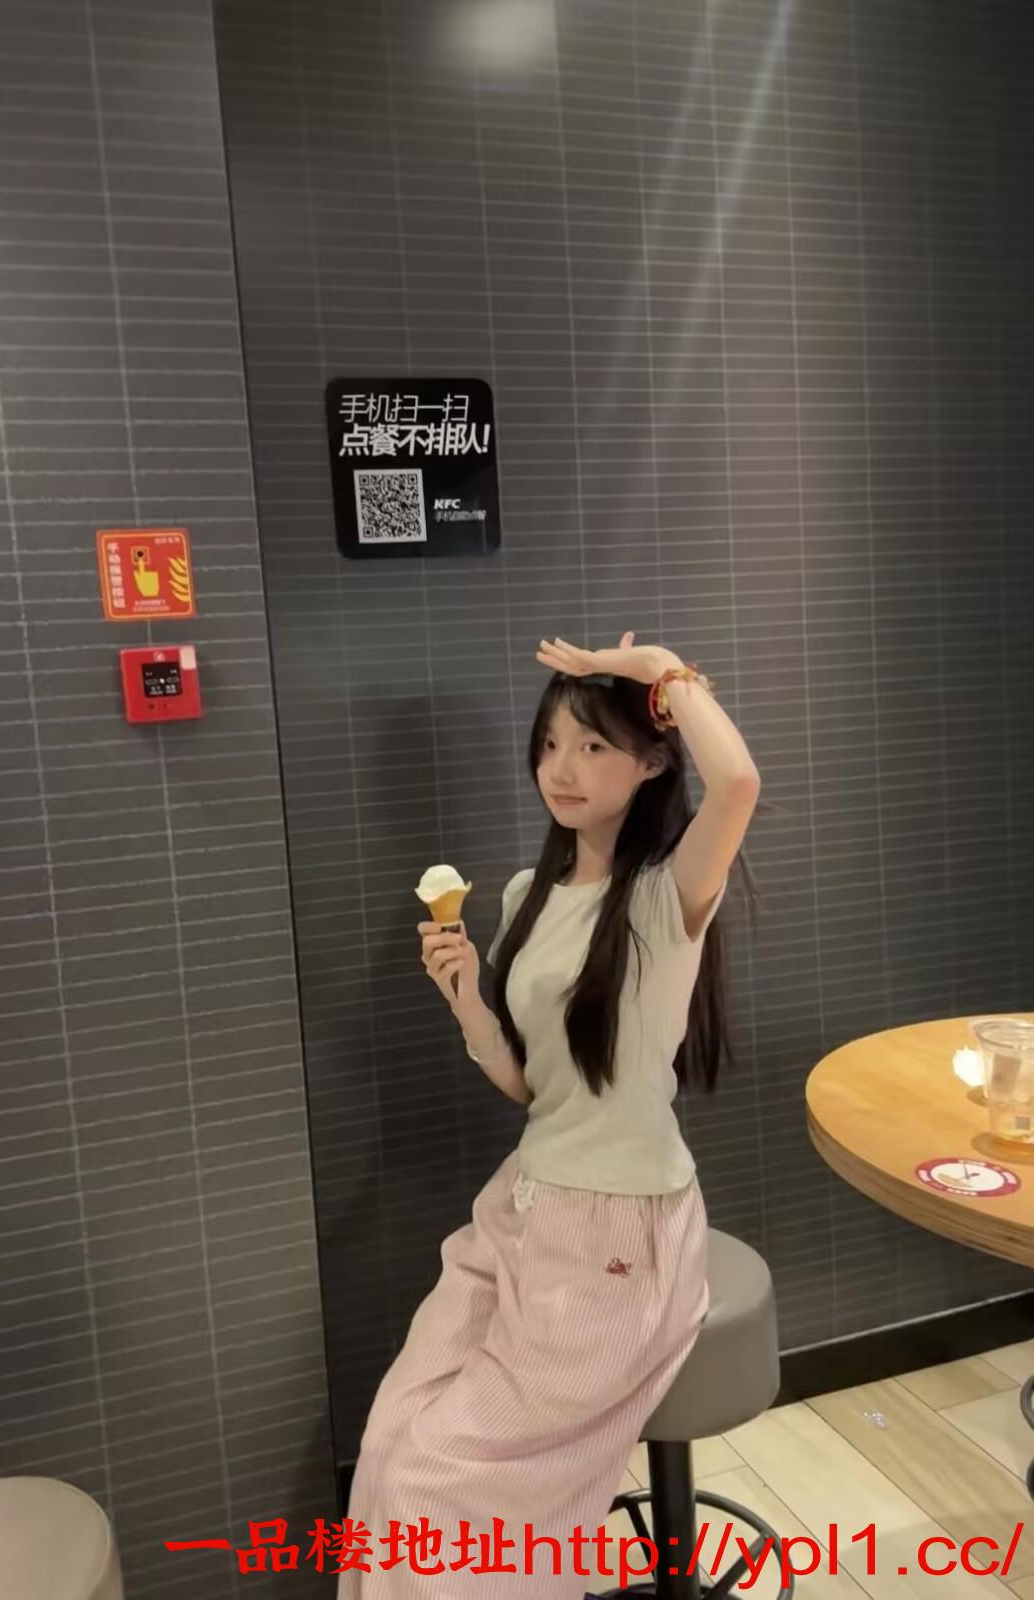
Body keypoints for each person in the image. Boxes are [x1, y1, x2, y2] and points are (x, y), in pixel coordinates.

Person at [337, 632, 761, 1599]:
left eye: (593, 746)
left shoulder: (664, 895)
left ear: (651, 763)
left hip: (622, 1235)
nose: (560, 770)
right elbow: (539, 1091)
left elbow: (738, 783)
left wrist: (663, 669)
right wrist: (469, 1007)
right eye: (551, 745)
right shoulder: (529, 895)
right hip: (525, 1205)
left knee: (438, 1487)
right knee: (393, 1436)